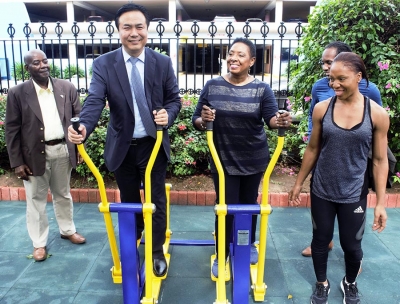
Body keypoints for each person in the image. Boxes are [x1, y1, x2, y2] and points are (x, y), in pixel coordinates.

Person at [67, 3, 181, 277]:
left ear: (147, 30)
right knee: (130, 199)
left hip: (152, 145)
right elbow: (95, 100)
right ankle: (137, 231)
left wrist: (168, 114)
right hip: (122, 147)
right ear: (118, 30)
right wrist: (84, 126)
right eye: (127, 27)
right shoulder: (104, 64)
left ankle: (155, 250)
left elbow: (173, 100)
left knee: (155, 200)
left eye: (139, 27)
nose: (133, 32)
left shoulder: (162, 62)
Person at [289, 52, 389, 304]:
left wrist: (380, 202)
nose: (334, 84)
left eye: (341, 78)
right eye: (331, 79)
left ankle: (350, 282)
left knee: (352, 247)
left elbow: (379, 160)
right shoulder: (323, 108)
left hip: (354, 192)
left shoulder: (376, 114)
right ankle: (321, 283)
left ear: (358, 77)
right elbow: (313, 149)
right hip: (322, 188)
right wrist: (299, 182)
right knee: (320, 240)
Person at [192, 37, 292, 277]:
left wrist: (279, 120)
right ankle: (222, 252)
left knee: (248, 206)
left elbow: (270, 118)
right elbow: (196, 120)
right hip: (222, 160)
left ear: (252, 61)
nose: (233, 58)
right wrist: (203, 120)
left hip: (253, 160)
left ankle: (246, 244)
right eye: (231, 54)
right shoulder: (212, 85)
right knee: (224, 208)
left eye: (240, 55)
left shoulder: (261, 89)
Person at [302, 41, 383, 257]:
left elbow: (373, 123)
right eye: (324, 64)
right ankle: (324, 242)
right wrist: (315, 138)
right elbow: (313, 115)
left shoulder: (370, 90)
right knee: (322, 214)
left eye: (330, 62)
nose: (326, 68)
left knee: (351, 233)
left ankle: (353, 256)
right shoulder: (321, 86)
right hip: (326, 153)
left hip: (353, 160)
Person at [5, 49, 86, 262]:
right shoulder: (17, 93)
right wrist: (17, 162)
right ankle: (39, 243)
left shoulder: (66, 88)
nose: (42, 65)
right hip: (32, 156)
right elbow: (11, 130)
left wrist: (77, 148)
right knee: (35, 200)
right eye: (36, 63)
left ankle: (67, 230)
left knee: (63, 194)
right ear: (27, 68)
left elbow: (79, 119)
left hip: (62, 149)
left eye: (44, 61)